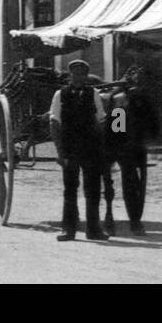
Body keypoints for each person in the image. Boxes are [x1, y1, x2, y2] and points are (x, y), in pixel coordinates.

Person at [49, 60, 108, 242]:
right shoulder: (60, 94)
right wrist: (60, 152)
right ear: (70, 75)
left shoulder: (94, 93)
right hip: (70, 148)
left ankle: (93, 229)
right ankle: (69, 229)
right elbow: (54, 122)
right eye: (75, 74)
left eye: (83, 74)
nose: (79, 77)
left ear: (87, 76)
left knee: (93, 190)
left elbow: (103, 119)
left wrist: (113, 138)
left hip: (91, 148)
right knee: (70, 190)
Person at [103, 66, 160, 236]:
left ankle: (135, 220)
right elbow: (117, 127)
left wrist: (146, 141)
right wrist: (125, 146)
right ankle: (109, 216)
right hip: (118, 146)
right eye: (137, 80)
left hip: (136, 146)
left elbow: (153, 124)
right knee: (111, 182)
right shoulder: (120, 99)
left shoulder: (145, 100)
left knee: (132, 184)